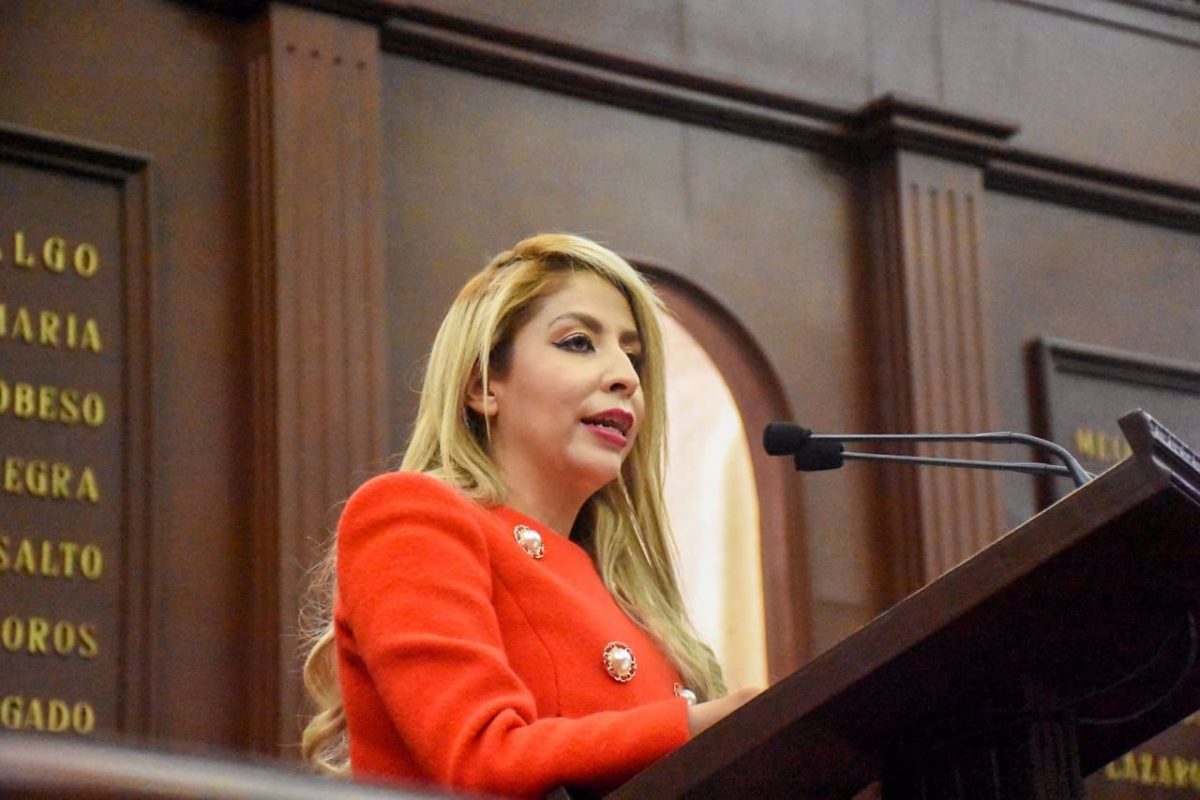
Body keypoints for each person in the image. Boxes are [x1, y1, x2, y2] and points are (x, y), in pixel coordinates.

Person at [301, 233, 757, 799]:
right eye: (578, 342)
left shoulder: (631, 594)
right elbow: (479, 760)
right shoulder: (411, 515)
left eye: (633, 355)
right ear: (482, 385)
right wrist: (693, 725)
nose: (626, 376)